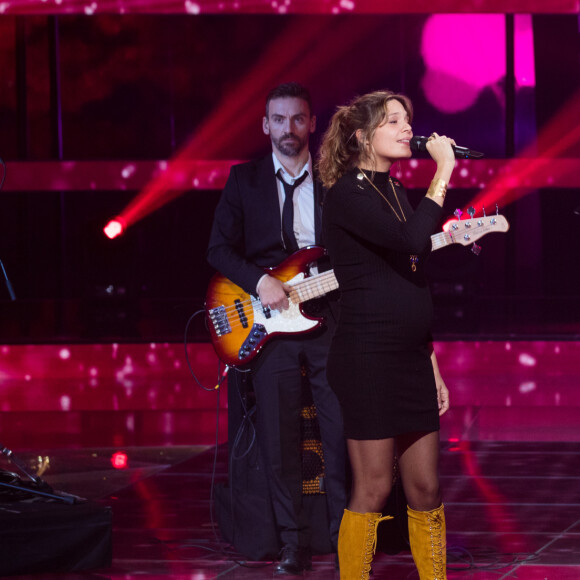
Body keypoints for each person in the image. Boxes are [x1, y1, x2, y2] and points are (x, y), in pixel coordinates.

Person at [207, 82, 346, 576]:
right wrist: (261, 280)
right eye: (279, 120)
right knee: (280, 439)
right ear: (265, 125)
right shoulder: (244, 181)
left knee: (341, 432)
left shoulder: (336, 178)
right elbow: (218, 250)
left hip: (328, 320)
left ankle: (343, 536)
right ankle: (293, 542)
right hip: (267, 325)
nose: (289, 129)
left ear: (313, 124)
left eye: (299, 119)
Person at [317, 90, 455, 580]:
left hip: (411, 359)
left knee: (425, 489)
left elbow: (413, 278)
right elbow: (411, 240)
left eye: (407, 120)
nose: (406, 129)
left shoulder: (394, 191)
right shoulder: (346, 195)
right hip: (367, 357)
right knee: (374, 489)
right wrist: (443, 172)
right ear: (361, 136)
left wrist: (432, 365)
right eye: (393, 120)